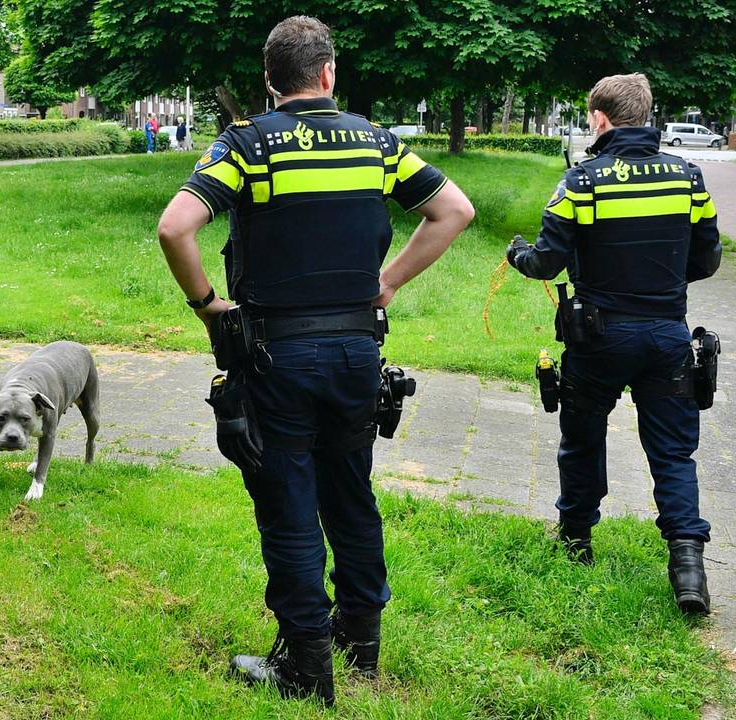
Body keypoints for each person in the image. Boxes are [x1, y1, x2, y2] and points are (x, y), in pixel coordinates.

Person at [156, 16, 474, 706]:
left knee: (288, 503)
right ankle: (360, 639)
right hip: (358, 350)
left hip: (277, 356)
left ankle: (305, 664)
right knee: (351, 492)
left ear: (270, 80)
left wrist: (208, 305)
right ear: (328, 72)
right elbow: (454, 211)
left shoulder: (247, 144)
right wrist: (389, 281)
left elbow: (176, 226)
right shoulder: (377, 142)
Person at [506, 73, 722, 614]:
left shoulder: (583, 181)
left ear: (599, 119)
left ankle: (576, 540)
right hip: (667, 336)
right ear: (645, 116)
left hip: (598, 338)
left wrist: (517, 253)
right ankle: (688, 566)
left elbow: (546, 262)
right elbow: (707, 260)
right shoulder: (688, 177)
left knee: (583, 439)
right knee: (673, 451)